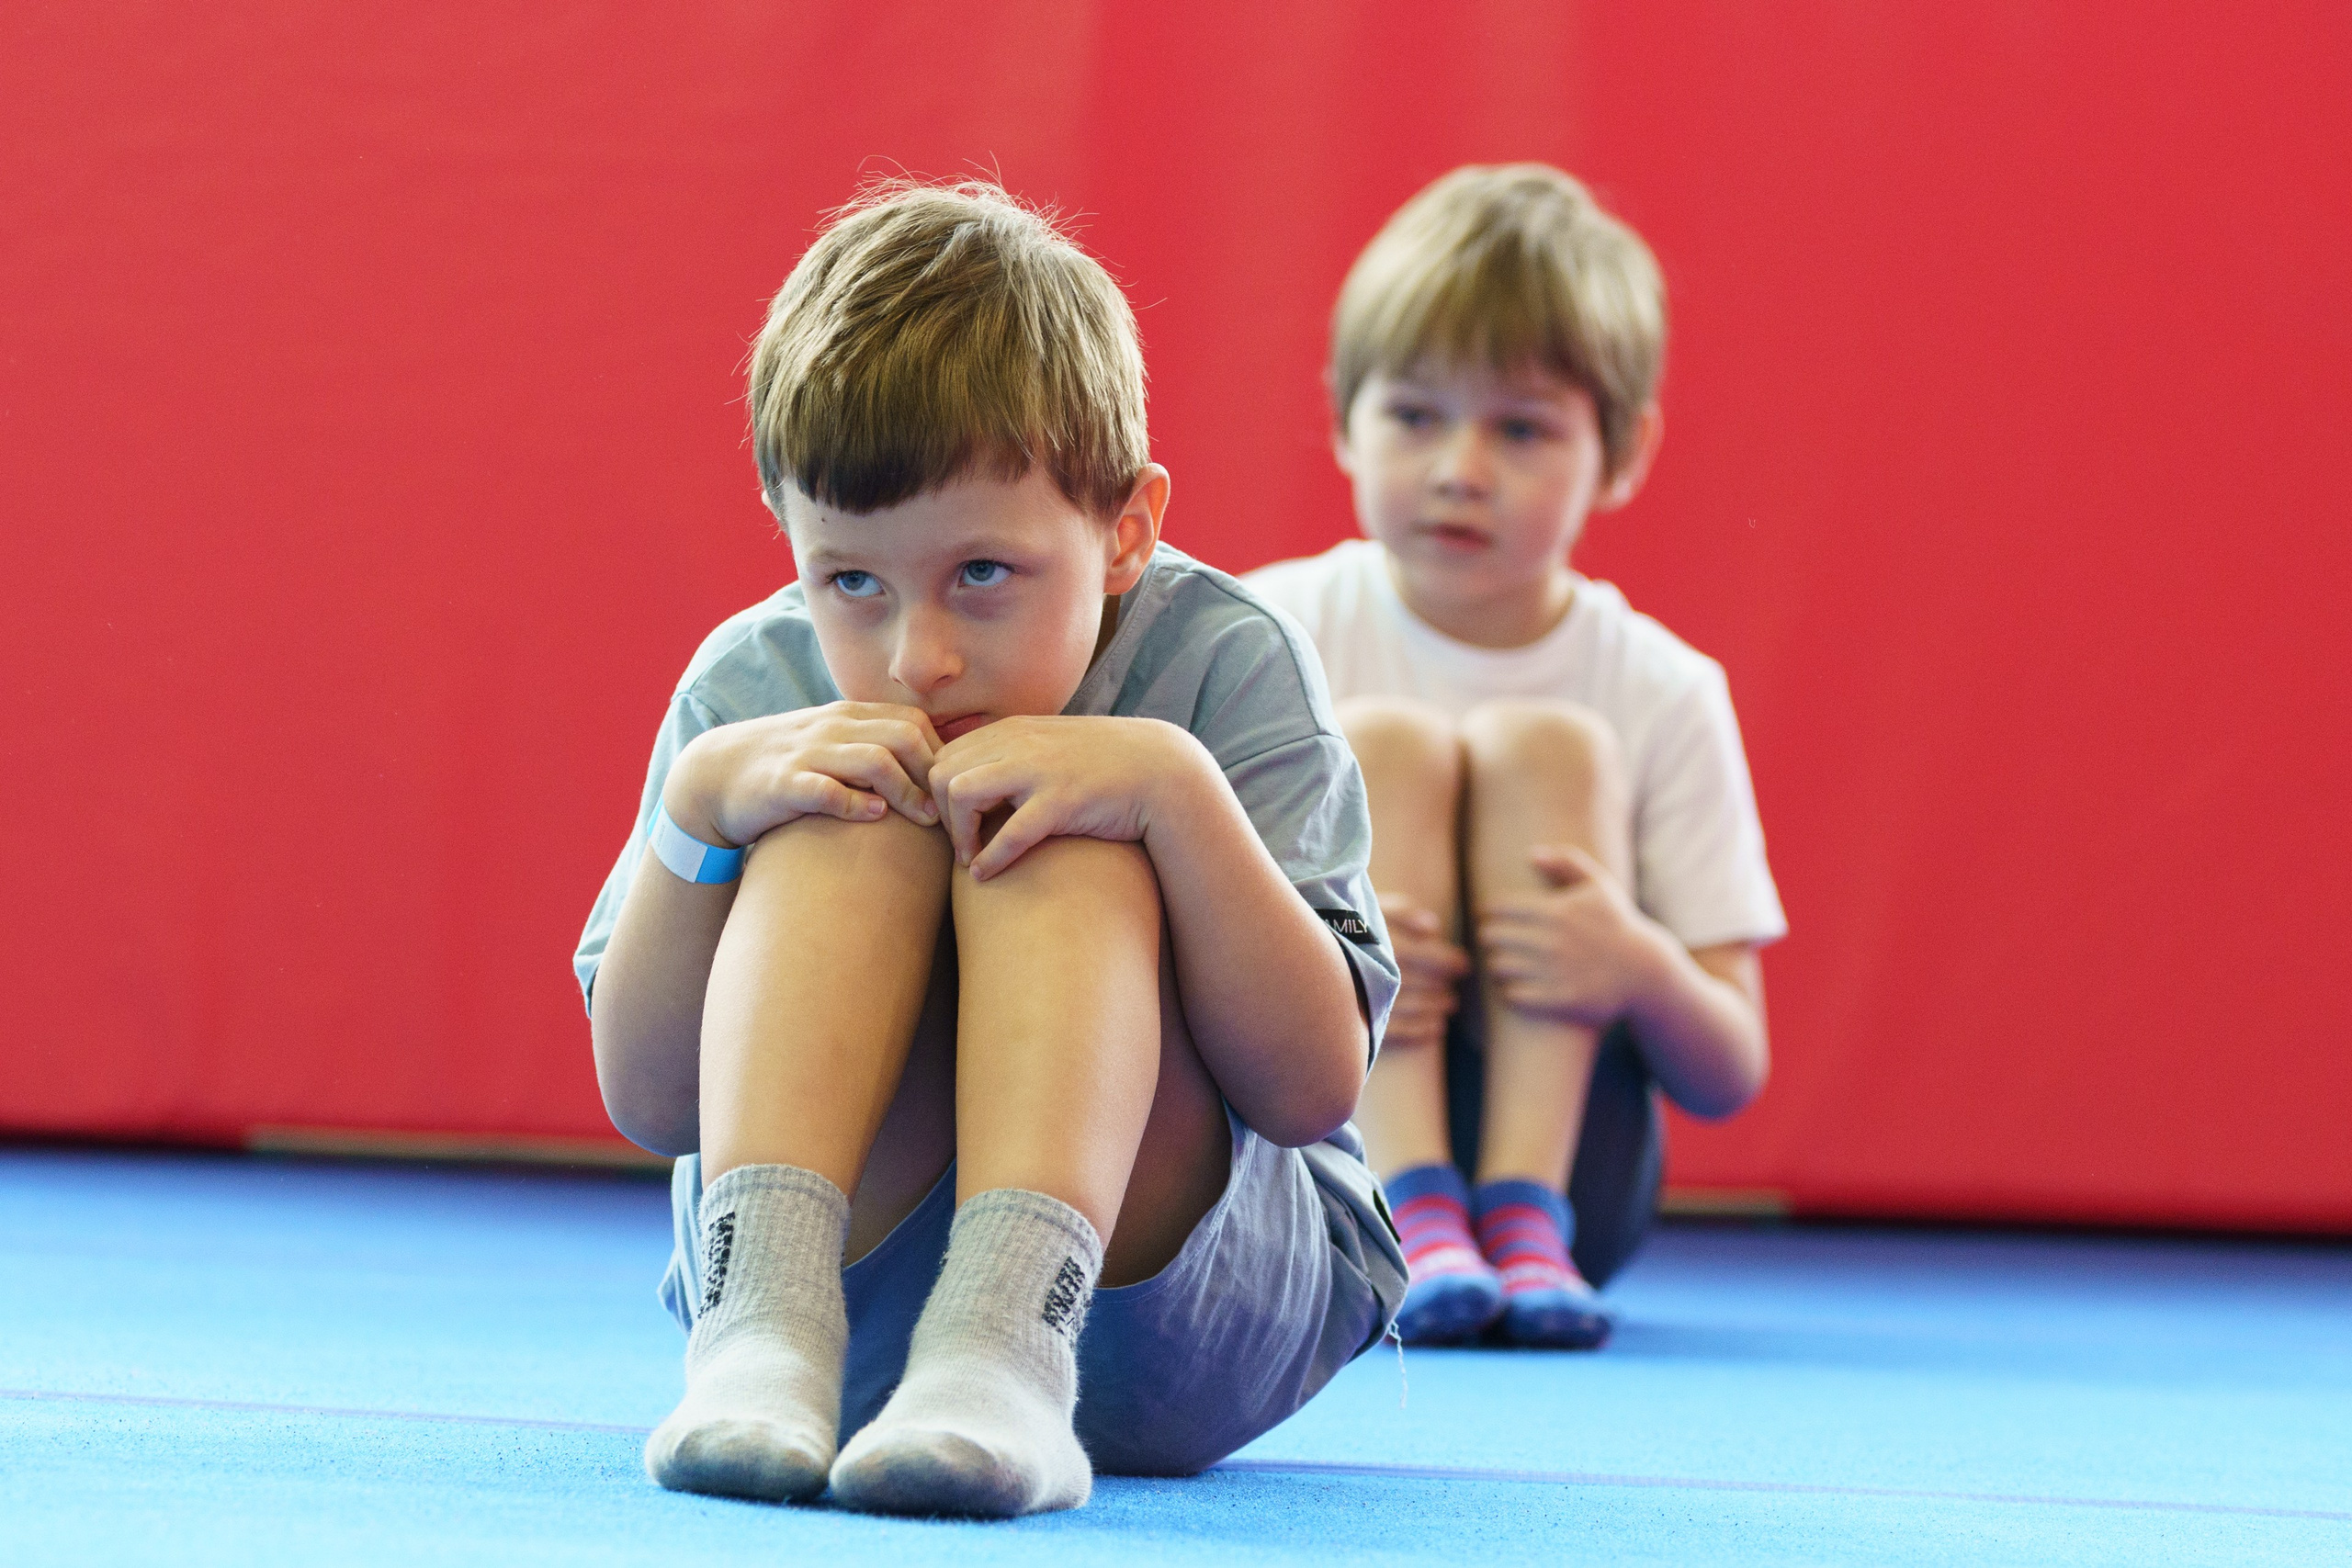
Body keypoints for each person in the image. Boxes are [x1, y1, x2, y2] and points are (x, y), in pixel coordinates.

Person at [572, 181, 1405, 1518]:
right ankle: (761, 1337)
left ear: (1125, 530)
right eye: (852, 581)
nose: (920, 656)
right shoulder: (753, 683)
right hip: (850, 1303)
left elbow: (1312, 1090)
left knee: (1065, 830)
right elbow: (654, 1102)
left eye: (983, 576)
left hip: (1171, 1304)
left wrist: (1176, 799)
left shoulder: (1226, 660)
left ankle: (1004, 1350)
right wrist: (700, 810)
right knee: (840, 805)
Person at [1246, 164, 1785, 1351]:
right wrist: (1332, 946)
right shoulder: (1272, 636)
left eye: (1522, 428)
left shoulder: (1661, 689)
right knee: (1379, 746)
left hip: (1577, 1178)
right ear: (1345, 416)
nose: (1461, 469)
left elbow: (1729, 1063)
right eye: (1417, 416)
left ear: (1623, 451)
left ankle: (1515, 1218)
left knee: (1550, 749)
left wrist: (1630, 962)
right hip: (1318, 1161)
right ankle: (1413, 1202)